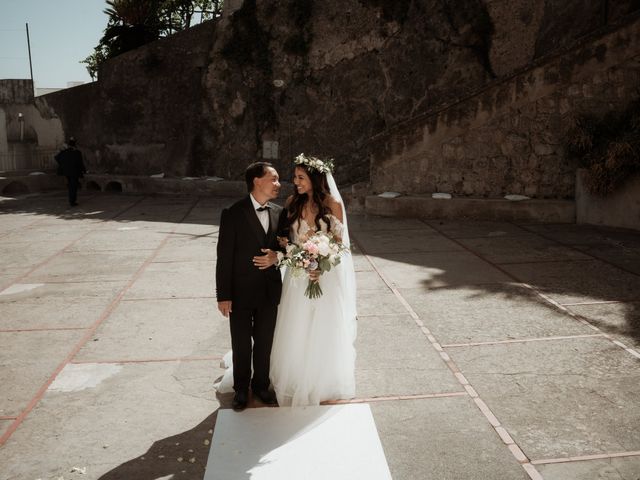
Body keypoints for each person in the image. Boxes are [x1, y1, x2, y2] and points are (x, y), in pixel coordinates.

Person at [270, 154, 357, 407]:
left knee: (322, 325)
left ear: (315, 179)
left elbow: (340, 245)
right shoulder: (291, 203)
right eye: (294, 177)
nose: (295, 182)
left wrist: (320, 264)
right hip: (298, 276)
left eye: (301, 177)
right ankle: (295, 377)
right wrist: (295, 256)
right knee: (296, 324)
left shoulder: (333, 204)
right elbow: (286, 239)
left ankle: (322, 379)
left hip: (325, 277)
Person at [215, 162, 287, 411]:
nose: (278, 184)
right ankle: (241, 390)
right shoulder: (233, 213)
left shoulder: (281, 213)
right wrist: (223, 295)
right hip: (240, 292)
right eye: (274, 179)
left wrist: (276, 256)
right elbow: (224, 258)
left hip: (269, 291)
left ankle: (261, 387)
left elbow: (286, 248)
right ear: (257, 181)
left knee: (265, 342)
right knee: (242, 343)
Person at [54, 137, 87, 207]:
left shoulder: (64, 152)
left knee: (71, 185)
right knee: (73, 186)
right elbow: (80, 163)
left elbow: (56, 158)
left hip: (66, 172)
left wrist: (63, 164)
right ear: (75, 145)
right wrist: (84, 171)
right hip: (74, 172)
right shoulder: (77, 152)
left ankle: (71, 200)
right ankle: (72, 201)